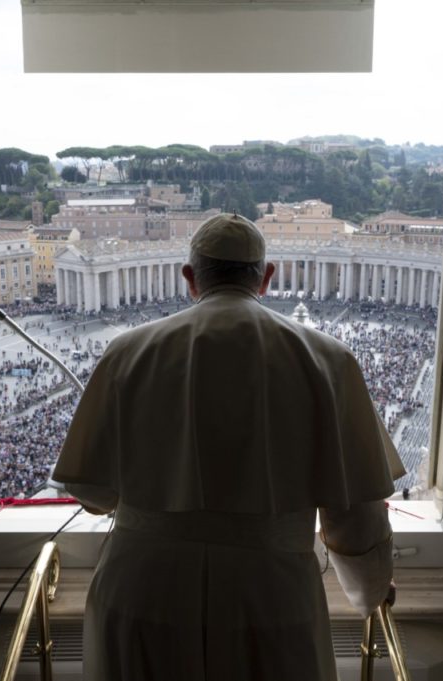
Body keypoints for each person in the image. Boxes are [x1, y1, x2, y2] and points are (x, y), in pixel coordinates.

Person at [53, 213, 405, 681]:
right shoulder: (330, 361)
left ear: (189, 277)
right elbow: (356, 517)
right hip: (270, 597)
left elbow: (93, 493)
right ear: (267, 277)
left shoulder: (126, 351)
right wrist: (371, 591)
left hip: (142, 591)